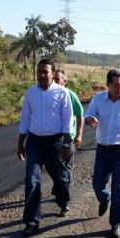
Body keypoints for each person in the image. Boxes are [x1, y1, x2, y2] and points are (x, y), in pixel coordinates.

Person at [17, 59, 73, 237]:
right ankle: (32, 222)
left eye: (45, 72)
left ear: (53, 73)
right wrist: (20, 143)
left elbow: (67, 119)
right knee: (32, 180)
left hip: (56, 141)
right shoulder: (31, 93)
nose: (41, 75)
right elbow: (25, 119)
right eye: (39, 71)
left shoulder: (62, 93)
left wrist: (66, 143)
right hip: (35, 142)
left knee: (61, 178)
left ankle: (63, 200)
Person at [84, 69, 120, 238]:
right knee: (97, 185)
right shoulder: (98, 99)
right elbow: (88, 114)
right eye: (116, 85)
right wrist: (90, 119)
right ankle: (104, 198)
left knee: (119, 188)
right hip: (102, 149)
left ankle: (116, 223)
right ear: (108, 85)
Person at [52, 69, 84, 203]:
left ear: (65, 81)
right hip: (54, 138)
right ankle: (58, 185)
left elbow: (80, 114)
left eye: (58, 79)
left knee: (66, 167)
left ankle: (64, 197)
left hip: (69, 137)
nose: (55, 82)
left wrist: (79, 135)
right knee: (54, 166)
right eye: (53, 79)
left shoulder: (71, 95)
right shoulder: (49, 96)